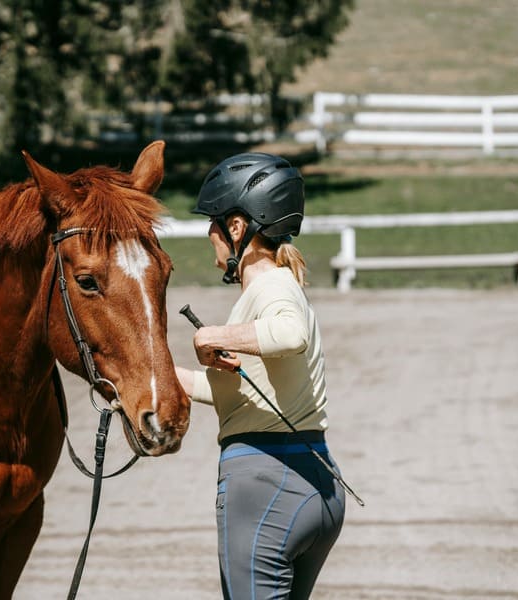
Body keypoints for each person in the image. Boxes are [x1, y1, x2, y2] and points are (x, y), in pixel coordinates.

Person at [174, 153, 346, 600]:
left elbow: (289, 335)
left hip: (266, 485)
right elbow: (238, 394)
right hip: (316, 484)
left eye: (213, 223)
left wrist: (211, 335)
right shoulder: (274, 290)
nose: (210, 236)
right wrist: (149, 376)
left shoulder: (270, 285)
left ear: (236, 229)